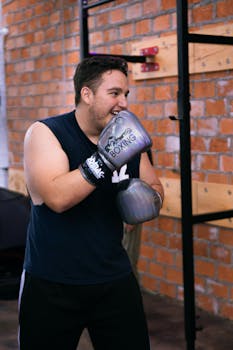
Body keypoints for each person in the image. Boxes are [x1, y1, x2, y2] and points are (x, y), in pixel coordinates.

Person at [18, 55, 164, 350]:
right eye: (114, 93)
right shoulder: (47, 133)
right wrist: (106, 158)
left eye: (125, 94)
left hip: (114, 278)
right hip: (53, 283)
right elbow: (58, 198)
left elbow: (155, 185)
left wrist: (148, 200)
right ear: (86, 94)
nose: (123, 102)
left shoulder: (127, 135)